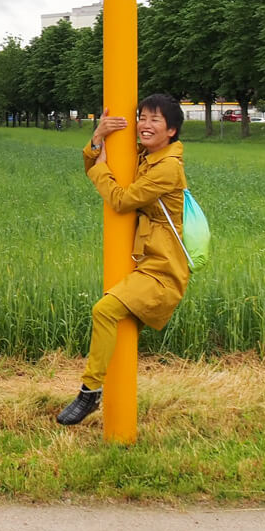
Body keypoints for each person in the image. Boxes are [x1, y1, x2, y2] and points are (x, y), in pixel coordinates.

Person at [56, 93, 190, 426]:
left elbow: (120, 199)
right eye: (141, 117)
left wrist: (101, 171)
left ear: (171, 130)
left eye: (154, 120)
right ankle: (97, 395)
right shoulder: (146, 155)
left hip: (163, 268)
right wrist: (98, 138)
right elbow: (95, 166)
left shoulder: (168, 167)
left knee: (105, 310)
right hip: (144, 258)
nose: (144, 125)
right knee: (112, 317)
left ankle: (89, 393)